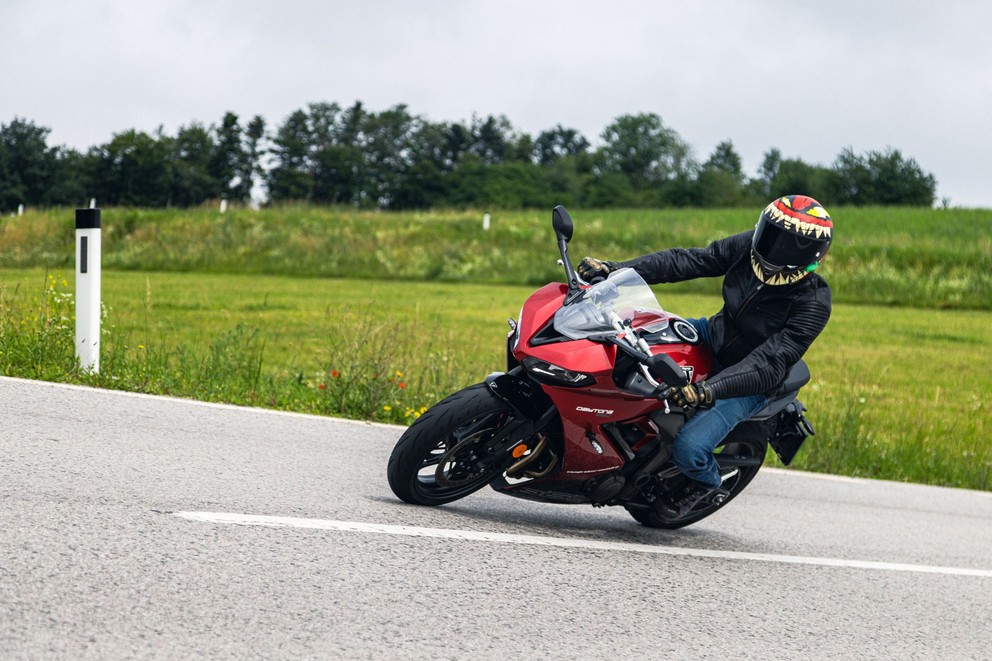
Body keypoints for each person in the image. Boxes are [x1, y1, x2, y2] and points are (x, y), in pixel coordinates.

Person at [577, 195, 833, 518]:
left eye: (785, 244)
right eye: (769, 233)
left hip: (749, 380)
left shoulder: (813, 302)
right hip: (712, 334)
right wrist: (617, 269)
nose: (771, 247)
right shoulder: (749, 247)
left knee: (690, 448)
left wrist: (708, 390)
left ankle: (706, 485)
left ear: (809, 257)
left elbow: (770, 362)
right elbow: (688, 260)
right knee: (628, 336)